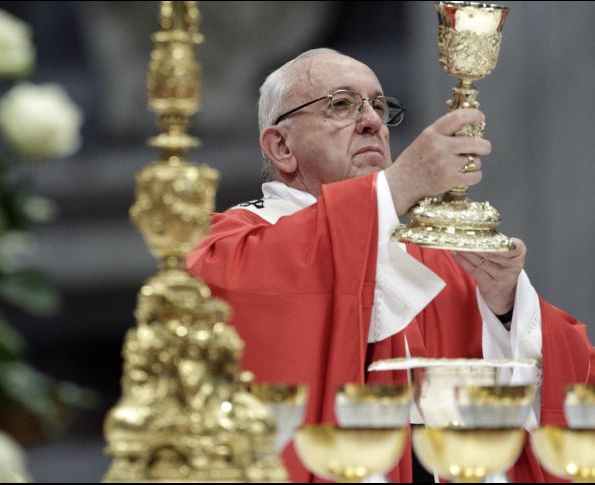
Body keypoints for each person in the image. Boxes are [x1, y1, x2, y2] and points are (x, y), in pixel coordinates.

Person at [187, 48, 595, 482]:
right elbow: (240, 292)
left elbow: (571, 380)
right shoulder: (231, 242)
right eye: (341, 104)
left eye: (379, 107)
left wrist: (506, 307)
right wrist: (399, 184)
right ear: (281, 146)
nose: (372, 122)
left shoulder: (437, 256)